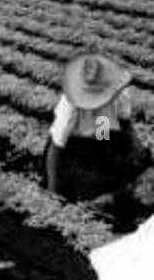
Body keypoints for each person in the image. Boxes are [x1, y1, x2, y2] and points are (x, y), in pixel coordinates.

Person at [43, 52, 154, 212]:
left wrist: (137, 155)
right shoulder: (70, 104)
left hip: (102, 132)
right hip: (73, 148)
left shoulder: (120, 93)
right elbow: (57, 146)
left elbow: (125, 124)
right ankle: (94, 197)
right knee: (78, 188)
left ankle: (116, 193)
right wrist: (54, 191)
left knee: (123, 165)